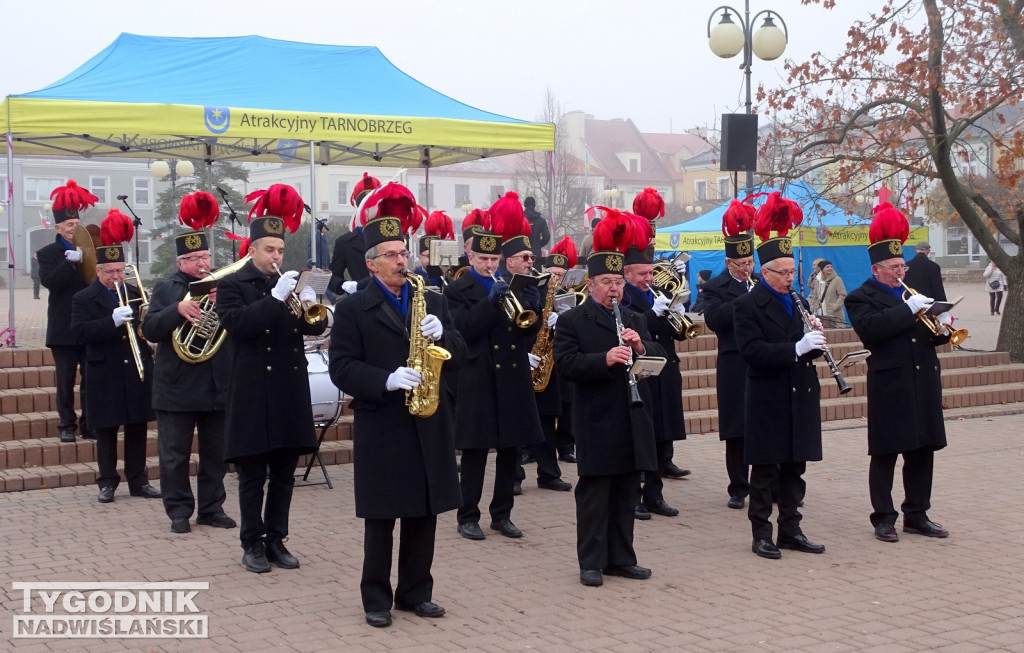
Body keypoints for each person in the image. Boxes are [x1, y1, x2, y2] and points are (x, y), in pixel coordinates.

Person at [329, 194, 467, 628]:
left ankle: (415, 592)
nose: (400, 261)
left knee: (424, 511)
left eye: (404, 252)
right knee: (381, 515)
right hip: (384, 421)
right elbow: (342, 368)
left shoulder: (433, 299)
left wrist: (444, 331)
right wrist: (386, 379)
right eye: (391, 255)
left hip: (428, 420)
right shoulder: (353, 307)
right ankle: (375, 597)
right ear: (371, 263)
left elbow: (460, 354)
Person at [215, 184, 327, 573]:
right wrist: (274, 300)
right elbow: (237, 325)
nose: (276, 256)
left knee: (284, 472)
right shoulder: (232, 284)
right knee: (252, 473)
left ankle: (277, 539)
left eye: (280, 250)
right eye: (269, 250)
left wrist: (316, 305)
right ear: (252, 250)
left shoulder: (291, 284)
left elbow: (314, 329)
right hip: (251, 389)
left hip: (288, 387)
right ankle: (252, 543)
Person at [553, 208, 661, 587]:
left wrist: (640, 347)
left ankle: (621, 558)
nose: (614, 288)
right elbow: (566, 365)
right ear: (590, 283)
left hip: (632, 416)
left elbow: (653, 358)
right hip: (597, 416)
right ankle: (591, 561)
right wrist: (605, 358)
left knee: (627, 490)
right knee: (596, 493)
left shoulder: (634, 318)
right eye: (606, 281)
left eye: (618, 281)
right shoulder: (572, 321)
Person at [845, 203, 951, 543]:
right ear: (877, 269)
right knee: (886, 452)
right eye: (894, 267)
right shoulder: (860, 297)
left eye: (902, 265)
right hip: (891, 383)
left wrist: (942, 328)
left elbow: (925, 335)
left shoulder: (915, 294)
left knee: (922, 450)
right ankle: (884, 518)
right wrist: (907, 310)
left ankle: (917, 514)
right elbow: (872, 331)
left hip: (922, 380)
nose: (900, 272)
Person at [443, 191, 543, 541]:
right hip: (478, 374)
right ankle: (467, 515)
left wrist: (532, 303)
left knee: (510, 448)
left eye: (494, 258)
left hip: (512, 373)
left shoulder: (510, 285)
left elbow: (528, 329)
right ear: (470, 256)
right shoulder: (458, 289)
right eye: (483, 258)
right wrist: (489, 304)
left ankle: (502, 514)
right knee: (474, 451)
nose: (489, 264)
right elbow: (463, 330)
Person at [733, 192, 826, 560]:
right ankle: (761, 533)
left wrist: (816, 340)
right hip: (768, 395)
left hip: (799, 393)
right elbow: (751, 351)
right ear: (765, 272)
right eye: (783, 273)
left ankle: (791, 529)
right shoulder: (746, 305)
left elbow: (807, 349)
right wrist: (796, 348)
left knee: (795, 469)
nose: (791, 278)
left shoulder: (799, 301)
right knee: (766, 470)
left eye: (793, 272)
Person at [142, 192, 236, 535]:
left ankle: (212, 508)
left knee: (217, 454)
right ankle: (179, 511)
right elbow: (150, 329)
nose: (201, 264)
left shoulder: (223, 287)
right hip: (177, 387)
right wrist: (177, 310)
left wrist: (224, 302)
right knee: (174, 455)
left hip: (216, 385)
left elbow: (237, 327)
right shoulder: (167, 288)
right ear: (181, 262)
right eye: (194, 258)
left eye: (205, 256)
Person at [70, 209, 161, 504]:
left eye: (120, 270)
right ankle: (107, 482)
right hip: (104, 369)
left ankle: (138, 480)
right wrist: (111, 322)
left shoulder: (135, 292)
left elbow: (148, 327)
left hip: (136, 368)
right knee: (107, 429)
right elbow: (80, 333)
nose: (116, 276)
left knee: (137, 426)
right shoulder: (83, 298)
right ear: (98, 271)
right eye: (110, 271)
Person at [621, 230, 687, 521]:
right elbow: (628, 330)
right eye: (642, 274)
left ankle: (655, 494)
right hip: (640, 373)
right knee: (642, 435)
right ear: (627, 273)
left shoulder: (659, 294)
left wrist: (677, 313)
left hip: (665, 369)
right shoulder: (622, 297)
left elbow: (679, 335)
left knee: (663, 435)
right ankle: (634, 495)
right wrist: (652, 314)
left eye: (650, 273)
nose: (648, 279)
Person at [702, 199, 758, 509]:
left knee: (763, 423)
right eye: (742, 265)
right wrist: (744, 302)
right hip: (733, 362)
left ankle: (769, 482)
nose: (748, 269)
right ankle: (738, 486)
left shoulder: (759, 282)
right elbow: (714, 320)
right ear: (728, 264)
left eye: (750, 262)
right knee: (737, 427)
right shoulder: (715, 287)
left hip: (760, 359)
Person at [37, 180, 95, 443]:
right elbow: (50, 282)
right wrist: (67, 262)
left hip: (87, 323)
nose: (75, 228)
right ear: (58, 228)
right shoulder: (48, 253)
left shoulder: (88, 251)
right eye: (70, 225)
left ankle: (89, 422)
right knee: (65, 379)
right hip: (62, 325)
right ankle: (66, 424)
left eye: (77, 224)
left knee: (90, 377)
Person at [525, 236, 577, 493]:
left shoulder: (567, 294)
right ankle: (515, 474)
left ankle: (548, 473)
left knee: (546, 419)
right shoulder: (534, 287)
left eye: (560, 273)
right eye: (552, 272)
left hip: (548, 361)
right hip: (524, 357)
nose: (556, 277)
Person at [329, 172, 380, 296]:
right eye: (366, 207)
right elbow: (332, 276)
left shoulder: (392, 237)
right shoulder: (345, 242)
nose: (371, 211)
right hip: (360, 302)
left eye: (375, 206)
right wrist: (345, 285)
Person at [808, 260, 847, 328]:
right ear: (822, 269)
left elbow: (842, 295)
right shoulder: (818, 280)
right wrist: (813, 307)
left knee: (837, 334)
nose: (830, 268)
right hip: (820, 314)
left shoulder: (837, 280)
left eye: (831, 267)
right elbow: (815, 295)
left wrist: (835, 307)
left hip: (834, 314)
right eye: (827, 267)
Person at [523, 196, 551, 260]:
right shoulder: (541, 220)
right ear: (534, 205)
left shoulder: (520, 219)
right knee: (536, 269)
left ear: (525, 205)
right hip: (536, 253)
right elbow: (547, 236)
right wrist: (538, 245)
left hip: (523, 252)